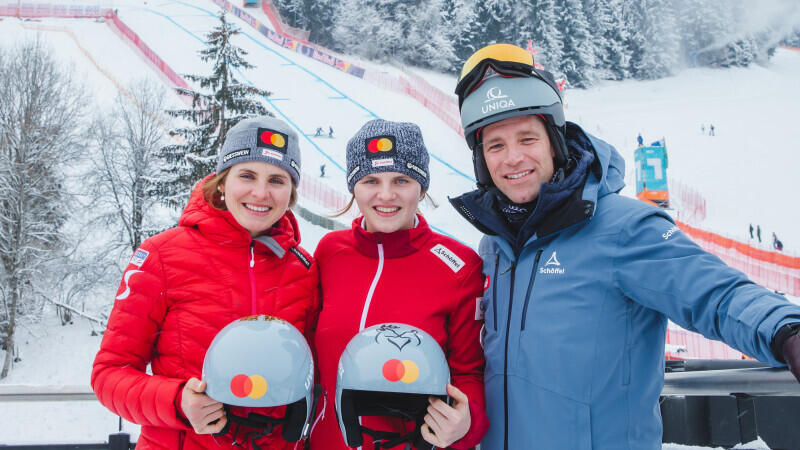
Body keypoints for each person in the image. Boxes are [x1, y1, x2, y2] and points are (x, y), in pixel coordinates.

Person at [448, 43, 800, 449]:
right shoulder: (496, 248)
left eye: (527, 138)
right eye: (495, 145)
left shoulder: (622, 229)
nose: (512, 158)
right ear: (481, 161)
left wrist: (785, 329)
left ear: (555, 143)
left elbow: (714, 293)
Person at [91, 116, 320, 449]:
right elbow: (109, 375)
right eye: (247, 175)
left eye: (277, 180)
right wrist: (177, 401)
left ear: (291, 193)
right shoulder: (161, 256)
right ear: (223, 182)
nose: (261, 192)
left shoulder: (305, 269)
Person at [311, 119, 490, 449]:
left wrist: (467, 422)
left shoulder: (459, 267)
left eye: (401, 180)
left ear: (421, 187)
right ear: (354, 187)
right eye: (370, 180)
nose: (386, 194)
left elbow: (470, 374)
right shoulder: (329, 253)